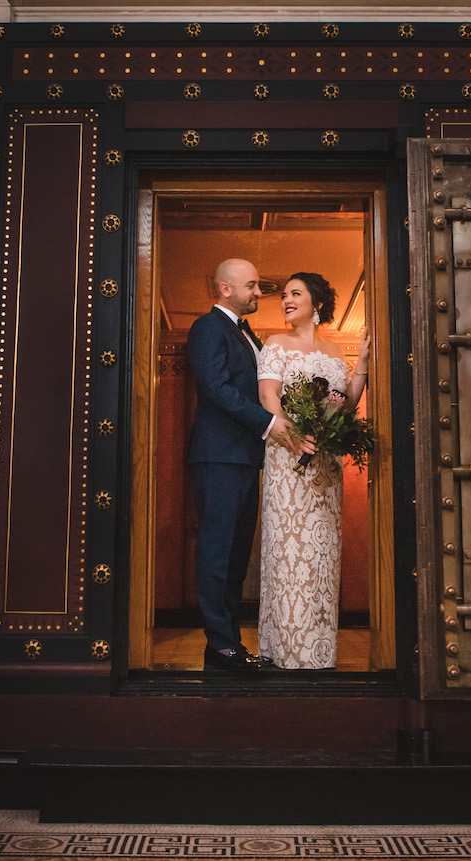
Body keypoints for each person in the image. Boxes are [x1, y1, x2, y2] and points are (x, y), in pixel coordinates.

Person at [185, 258, 296, 672]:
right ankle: (221, 643)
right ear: (225, 289)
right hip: (218, 457)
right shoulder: (207, 327)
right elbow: (216, 388)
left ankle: (227, 645)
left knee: (234, 556)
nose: (259, 292)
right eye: (251, 285)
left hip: (246, 459)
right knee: (217, 552)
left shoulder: (249, 335)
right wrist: (269, 422)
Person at [255, 272, 370, 669]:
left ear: (316, 304)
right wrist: (290, 435)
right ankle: (283, 650)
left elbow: (346, 405)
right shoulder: (275, 345)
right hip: (288, 461)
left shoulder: (337, 352)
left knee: (320, 558)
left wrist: (363, 366)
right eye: (284, 295)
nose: (286, 299)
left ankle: (319, 652)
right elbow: (268, 396)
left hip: (326, 467)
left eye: (295, 294)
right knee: (288, 555)